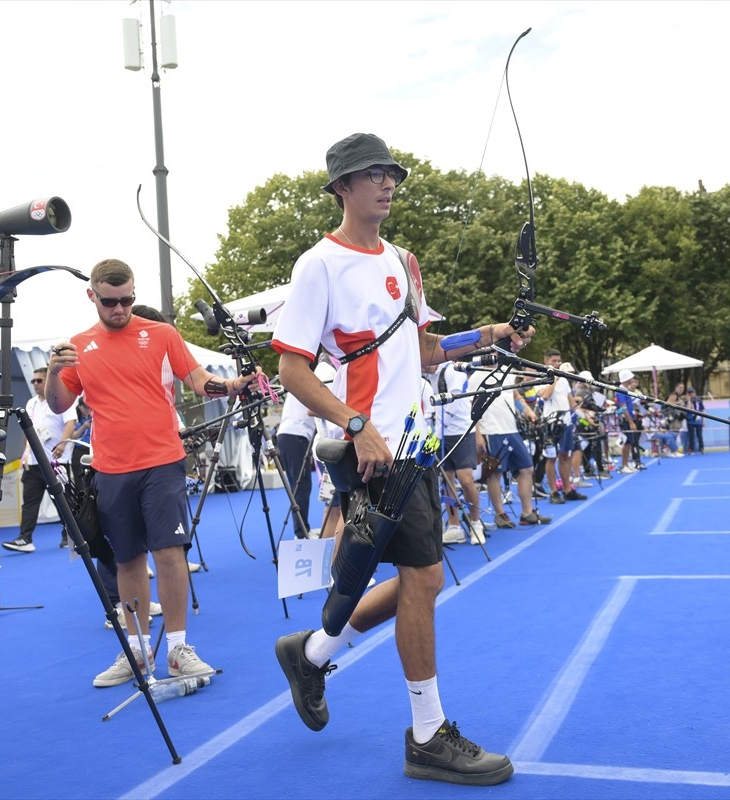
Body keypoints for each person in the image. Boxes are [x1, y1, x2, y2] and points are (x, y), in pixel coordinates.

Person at [270, 132, 530, 786]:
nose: (386, 183)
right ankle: (426, 734)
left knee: (418, 578)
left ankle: (314, 651)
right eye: (371, 175)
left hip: (414, 445)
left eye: (390, 174)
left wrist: (489, 335)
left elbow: (424, 350)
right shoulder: (318, 265)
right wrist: (355, 424)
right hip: (372, 453)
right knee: (414, 578)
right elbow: (292, 369)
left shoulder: (406, 262)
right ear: (341, 189)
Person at [44, 259, 258, 687]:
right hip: (110, 468)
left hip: (162, 460)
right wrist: (52, 371)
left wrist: (231, 385)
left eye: (128, 300)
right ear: (93, 296)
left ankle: (178, 648)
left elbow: (198, 380)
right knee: (127, 559)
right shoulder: (79, 345)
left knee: (170, 552)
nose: (120, 309)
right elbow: (58, 404)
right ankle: (138, 652)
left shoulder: (161, 334)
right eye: (110, 302)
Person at [1, 367, 76, 553]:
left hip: (55, 461)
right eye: (33, 381)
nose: (35, 384)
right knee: (29, 501)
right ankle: (25, 538)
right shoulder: (31, 403)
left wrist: (63, 443)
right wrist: (24, 454)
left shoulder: (61, 399)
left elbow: (71, 423)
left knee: (62, 501)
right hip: (34, 462)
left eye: (39, 380)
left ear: (48, 380)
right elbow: (28, 430)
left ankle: (70, 536)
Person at [470, 369, 550, 527]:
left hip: (512, 429)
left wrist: (528, 411)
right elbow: (472, 405)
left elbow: (515, 395)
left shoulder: (509, 372)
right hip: (491, 431)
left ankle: (527, 513)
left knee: (527, 469)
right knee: (495, 474)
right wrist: (477, 434)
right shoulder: (477, 375)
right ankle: (500, 515)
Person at [277, 358, 337, 539]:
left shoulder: (305, 376)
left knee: (300, 485)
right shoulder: (318, 375)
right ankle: (301, 532)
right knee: (301, 485)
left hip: (289, 434)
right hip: (297, 435)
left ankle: (302, 530)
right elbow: (314, 408)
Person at [429, 360, 485, 545]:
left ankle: (476, 522)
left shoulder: (452, 370)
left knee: (466, 479)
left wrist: (436, 434)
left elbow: (453, 402)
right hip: (441, 432)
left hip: (461, 431)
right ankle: (454, 527)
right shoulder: (430, 373)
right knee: (446, 480)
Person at [538, 350, 587, 503]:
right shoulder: (541, 377)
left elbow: (572, 404)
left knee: (565, 456)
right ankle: (553, 492)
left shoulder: (565, 381)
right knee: (551, 458)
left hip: (565, 422)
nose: (557, 364)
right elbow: (545, 396)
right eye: (553, 361)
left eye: (558, 361)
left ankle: (567, 489)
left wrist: (587, 416)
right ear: (546, 361)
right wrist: (554, 379)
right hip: (551, 423)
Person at [615, 370, 645, 473]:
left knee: (629, 443)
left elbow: (628, 406)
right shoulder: (621, 391)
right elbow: (623, 408)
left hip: (629, 418)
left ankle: (626, 464)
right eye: (630, 378)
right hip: (625, 420)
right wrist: (631, 422)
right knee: (626, 443)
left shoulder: (625, 390)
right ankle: (624, 465)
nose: (632, 380)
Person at [683, 387, 705, 454]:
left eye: (692, 392)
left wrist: (703, 420)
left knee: (699, 435)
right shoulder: (686, 401)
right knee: (691, 435)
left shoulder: (699, 400)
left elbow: (702, 410)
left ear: (695, 393)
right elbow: (687, 409)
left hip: (698, 420)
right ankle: (691, 449)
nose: (691, 394)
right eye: (689, 393)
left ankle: (701, 448)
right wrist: (689, 401)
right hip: (690, 420)